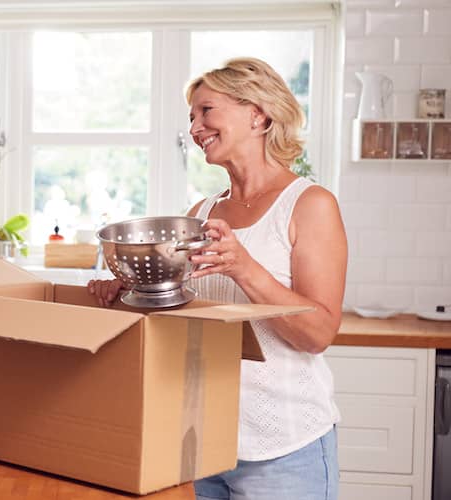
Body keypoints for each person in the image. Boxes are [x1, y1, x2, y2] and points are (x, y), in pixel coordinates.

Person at [88, 57, 346, 500]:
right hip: (202, 444)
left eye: (206, 110)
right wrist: (128, 291)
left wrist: (244, 267)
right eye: (191, 116)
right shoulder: (201, 214)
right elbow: (184, 314)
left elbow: (318, 333)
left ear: (258, 114)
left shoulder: (309, 204)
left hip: (284, 450)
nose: (194, 128)